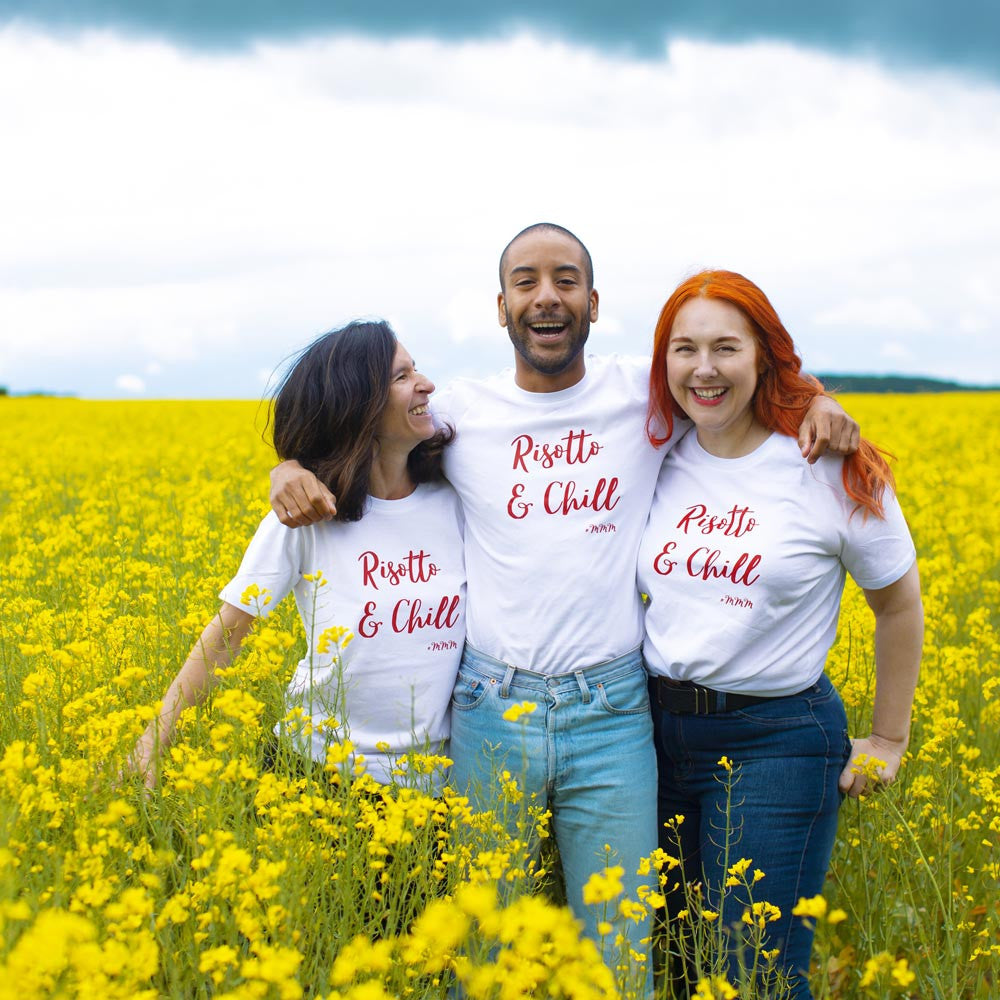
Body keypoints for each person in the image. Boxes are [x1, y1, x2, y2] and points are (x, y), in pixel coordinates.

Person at [268, 225, 859, 967]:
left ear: (593, 302)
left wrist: (815, 400)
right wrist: (288, 464)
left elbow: (730, 382)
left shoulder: (643, 398)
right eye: (526, 281)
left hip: (612, 716)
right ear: (501, 306)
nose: (546, 296)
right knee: (484, 954)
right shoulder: (457, 414)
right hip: (490, 710)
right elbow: (354, 415)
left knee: (621, 956)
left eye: (566, 279)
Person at [638, 270, 923, 997]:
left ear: (763, 356)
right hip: (652, 732)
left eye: (726, 347)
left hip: (775, 740)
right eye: (685, 348)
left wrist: (888, 739)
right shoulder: (655, 452)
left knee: (754, 967)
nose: (704, 369)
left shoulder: (825, 465)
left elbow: (897, 604)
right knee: (666, 961)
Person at [132, 319, 466, 790]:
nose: (426, 384)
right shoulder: (305, 516)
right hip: (314, 774)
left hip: (433, 785)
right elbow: (226, 635)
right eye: (402, 376)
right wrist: (151, 746)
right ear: (357, 405)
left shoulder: (458, 501)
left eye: (417, 369)